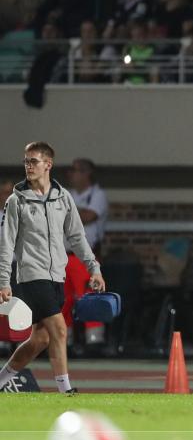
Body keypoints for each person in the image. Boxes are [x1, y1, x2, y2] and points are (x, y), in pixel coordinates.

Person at [0, 142, 105, 394]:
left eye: (33, 161)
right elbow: (6, 243)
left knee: (41, 339)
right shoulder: (16, 201)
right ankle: (65, 389)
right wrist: (4, 281)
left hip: (57, 275)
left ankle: (2, 380)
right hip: (31, 277)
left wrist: (94, 268)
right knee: (59, 328)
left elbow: (78, 236)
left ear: (48, 164)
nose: (28, 166)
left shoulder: (63, 197)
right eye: (26, 161)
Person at [66, 159, 108, 255]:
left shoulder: (97, 194)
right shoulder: (67, 194)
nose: (69, 173)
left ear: (86, 173)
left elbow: (87, 217)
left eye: (73, 170)